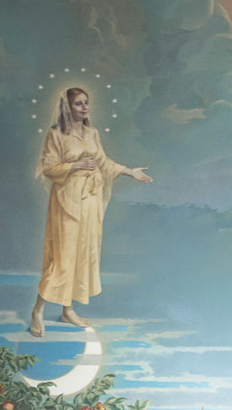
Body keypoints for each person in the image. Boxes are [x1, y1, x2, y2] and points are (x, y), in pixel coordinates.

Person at [28, 87, 151, 336]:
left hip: (90, 201)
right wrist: (75, 166)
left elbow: (104, 163)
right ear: (67, 107)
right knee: (62, 258)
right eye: (78, 104)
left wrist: (130, 172)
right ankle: (37, 311)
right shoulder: (56, 135)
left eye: (86, 103)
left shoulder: (92, 134)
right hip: (66, 201)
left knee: (81, 254)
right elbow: (49, 168)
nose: (84, 108)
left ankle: (67, 309)